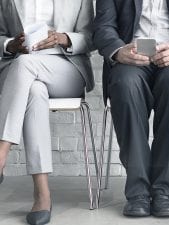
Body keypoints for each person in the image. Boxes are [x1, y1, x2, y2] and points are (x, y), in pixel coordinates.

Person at [93, 0, 169, 218]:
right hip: (131, 59)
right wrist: (118, 50)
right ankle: (138, 192)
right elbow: (103, 27)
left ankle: (164, 191)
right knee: (125, 85)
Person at [0, 0, 94, 224]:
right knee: (34, 89)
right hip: (19, 72)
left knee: (25, 65)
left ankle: (1, 152)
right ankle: (42, 193)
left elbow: (92, 37)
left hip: (66, 66)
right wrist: (10, 45)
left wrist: (65, 38)